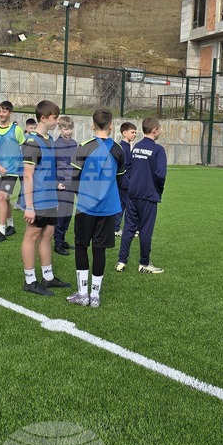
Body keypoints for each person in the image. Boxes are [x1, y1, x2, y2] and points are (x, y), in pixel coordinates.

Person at [66, 109, 126, 308]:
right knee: (99, 250)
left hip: (86, 207)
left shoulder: (83, 148)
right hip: (108, 209)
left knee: (81, 246)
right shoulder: (118, 150)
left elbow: (73, 181)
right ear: (111, 126)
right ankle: (95, 296)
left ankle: (83, 294)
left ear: (92, 125)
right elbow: (120, 181)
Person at [20, 100, 72, 296]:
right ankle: (30, 280)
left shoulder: (49, 139)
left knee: (48, 233)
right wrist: (29, 206)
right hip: (38, 199)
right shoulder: (32, 142)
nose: (57, 121)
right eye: (54, 117)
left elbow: (46, 169)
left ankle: (48, 277)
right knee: (31, 235)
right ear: (43, 118)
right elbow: (28, 175)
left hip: (51, 197)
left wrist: (56, 184)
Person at [116, 117, 167, 274]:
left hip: (133, 193)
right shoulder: (158, 150)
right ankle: (144, 263)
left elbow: (128, 168)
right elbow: (160, 175)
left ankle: (121, 261)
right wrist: (158, 190)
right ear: (155, 130)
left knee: (129, 228)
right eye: (160, 128)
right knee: (145, 230)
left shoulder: (136, 147)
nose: (161, 131)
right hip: (148, 195)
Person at [0, 100, 25, 243]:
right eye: (0, 110)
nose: (1, 113)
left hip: (12, 170)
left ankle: (1, 230)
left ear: (10, 113)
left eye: (5, 111)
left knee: (2, 197)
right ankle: (11, 225)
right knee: (5, 198)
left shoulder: (17, 130)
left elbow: (24, 148)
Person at [53, 115, 77, 256]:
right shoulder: (55, 145)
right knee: (61, 215)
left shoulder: (74, 144)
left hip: (71, 184)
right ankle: (57, 243)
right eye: (65, 129)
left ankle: (62, 240)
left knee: (68, 215)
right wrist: (56, 183)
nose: (68, 131)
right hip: (61, 185)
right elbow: (51, 167)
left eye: (70, 129)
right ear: (60, 129)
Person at [114, 122, 138, 236]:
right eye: (132, 132)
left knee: (122, 205)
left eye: (135, 132)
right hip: (124, 182)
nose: (134, 135)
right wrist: (129, 182)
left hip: (124, 182)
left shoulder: (126, 146)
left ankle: (115, 228)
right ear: (124, 133)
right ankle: (131, 229)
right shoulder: (123, 147)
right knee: (130, 206)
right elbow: (124, 167)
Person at [15, 118, 38, 210]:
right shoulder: (25, 138)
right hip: (22, 165)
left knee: (24, 184)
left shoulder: (34, 138)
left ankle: (18, 203)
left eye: (34, 128)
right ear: (26, 128)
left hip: (26, 165)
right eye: (31, 128)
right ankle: (23, 205)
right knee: (25, 185)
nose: (33, 130)